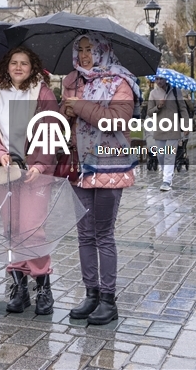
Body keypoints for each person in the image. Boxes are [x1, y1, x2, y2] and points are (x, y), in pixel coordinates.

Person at [62, 35, 137, 326]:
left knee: (103, 234)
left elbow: (117, 120)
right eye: (79, 49)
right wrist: (65, 110)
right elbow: (62, 119)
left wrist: (78, 106)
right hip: (80, 166)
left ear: (103, 51)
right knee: (84, 234)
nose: (84, 55)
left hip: (109, 163)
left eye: (90, 50)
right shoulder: (74, 82)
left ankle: (108, 299)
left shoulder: (120, 82)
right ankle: (90, 294)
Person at [0, 46, 60, 315]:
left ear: (32, 66)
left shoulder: (42, 93)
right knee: (12, 229)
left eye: (24, 63)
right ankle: (18, 287)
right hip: (6, 173)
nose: (18, 67)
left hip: (35, 174)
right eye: (13, 62)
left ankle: (43, 286)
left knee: (33, 229)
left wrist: (40, 164)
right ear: (6, 66)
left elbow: (50, 129)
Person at [145, 74, 189, 192]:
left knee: (170, 155)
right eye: (157, 79)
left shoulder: (176, 92)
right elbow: (149, 112)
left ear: (166, 79)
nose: (159, 81)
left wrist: (186, 125)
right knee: (161, 156)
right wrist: (159, 106)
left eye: (161, 79)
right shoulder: (153, 93)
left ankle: (166, 180)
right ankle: (168, 175)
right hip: (159, 129)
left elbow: (183, 109)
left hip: (173, 128)